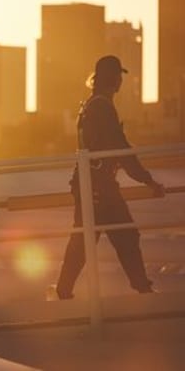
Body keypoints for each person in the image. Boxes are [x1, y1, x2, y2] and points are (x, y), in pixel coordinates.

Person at [54, 55, 165, 299]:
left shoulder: (91, 105)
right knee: (121, 234)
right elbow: (121, 150)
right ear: (113, 78)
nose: (120, 81)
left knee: (86, 240)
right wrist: (148, 180)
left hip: (90, 183)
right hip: (99, 187)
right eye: (119, 76)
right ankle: (142, 289)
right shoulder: (103, 107)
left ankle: (63, 291)